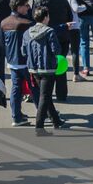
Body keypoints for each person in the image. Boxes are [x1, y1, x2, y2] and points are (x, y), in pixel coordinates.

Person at [27, 7, 65, 135]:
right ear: (45, 18)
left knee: (45, 95)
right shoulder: (50, 32)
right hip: (48, 68)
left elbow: (23, 50)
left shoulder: (28, 32)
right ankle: (39, 127)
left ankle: (56, 120)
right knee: (45, 96)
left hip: (34, 68)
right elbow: (56, 50)